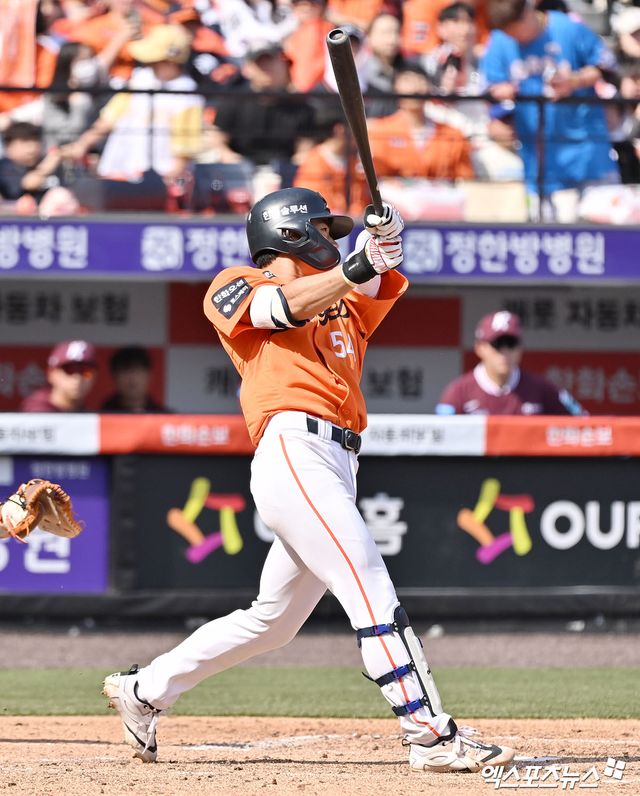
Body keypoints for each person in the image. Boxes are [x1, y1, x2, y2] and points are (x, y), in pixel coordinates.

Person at [102, 187, 516, 774]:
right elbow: (281, 307)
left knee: (272, 621)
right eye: (323, 229)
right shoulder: (233, 283)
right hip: (294, 448)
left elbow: (374, 276)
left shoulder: (342, 299)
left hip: (339, 460)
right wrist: (359, 264)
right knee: (368, 586)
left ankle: (143, 690)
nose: (333, 239)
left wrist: (385, 239)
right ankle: (429, 734)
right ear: (289, 233)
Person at [482, 0, 619, 221]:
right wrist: (500, 97)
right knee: (546, 232)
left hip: (587, 149)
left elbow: (605, 66)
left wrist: (575, 80)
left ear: (528, 11)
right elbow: (488, 89)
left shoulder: (566, 27)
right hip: (538, 159)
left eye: (517, 28)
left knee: (603, 227)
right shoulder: (499, 41)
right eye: (509, 33)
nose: (516, 37)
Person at [62, 24, 203, 184]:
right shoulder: (140, 79)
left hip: (158, 179)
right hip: (118, 171)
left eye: (155, 61)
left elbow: (184, 152)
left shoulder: (188, 95)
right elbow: (109, 119)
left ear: (171, 61)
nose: (149, 64)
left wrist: (169, 180)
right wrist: (82, 144)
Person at [435, 310, 585, 415]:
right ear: (480, 348)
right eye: (497, 344)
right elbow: (440, 436)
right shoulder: (459, 391)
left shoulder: (541, 388)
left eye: (511, 344)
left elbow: (582, 419)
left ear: (520, 349)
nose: (504, 352)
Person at [368, 64, 475, 181]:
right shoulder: (380, 132)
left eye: (420, 80)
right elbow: (376, 179)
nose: (415, 86)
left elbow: (465, 180)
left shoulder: (452, 135)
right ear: (395, 88)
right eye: (408, 80)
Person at [21, 340, 98, 413]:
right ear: (51, 374)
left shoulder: (88, 414)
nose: (77, 378)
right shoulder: (36, 411)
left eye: (85, 371)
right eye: (69, 370)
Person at [0, 121, 64, 203]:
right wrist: (48, 166)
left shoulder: (50, 162)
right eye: (25, 142)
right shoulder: (4, 167)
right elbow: (29, 183)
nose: (32, 149)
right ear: (9, 147)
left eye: (35, 141)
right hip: (17, 211)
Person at [101, 345, 171, 413]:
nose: (132, 378)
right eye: (125, 371)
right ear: (114, 377)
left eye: (137, 371)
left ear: (150, 376)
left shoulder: (166, 418)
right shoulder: (101, 416)